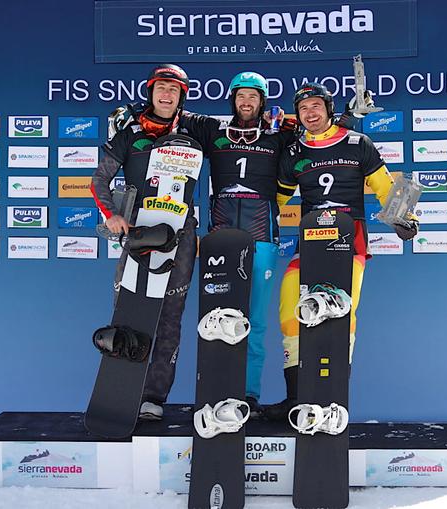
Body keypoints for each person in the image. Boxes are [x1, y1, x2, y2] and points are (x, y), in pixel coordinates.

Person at [262, 82, 419, 419]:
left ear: (329, 109)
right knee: (290, 310)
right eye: (303, 109)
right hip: (311, 242)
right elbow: (275, 199)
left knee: (339, 314)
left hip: (349, 241)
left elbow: (384, 187)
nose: (310, 113)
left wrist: (405, 217)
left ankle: (334, 395)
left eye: (317, 106)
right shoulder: (295, 152)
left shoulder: (358, 143)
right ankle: (295, 397)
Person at [176, 72, 297, 413]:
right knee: (218, 316)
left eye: (253, 97)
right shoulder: (213, 129)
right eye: (241, 96)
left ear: (263, 101)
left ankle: (248, 395)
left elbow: (318, 129)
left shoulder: (280, 132)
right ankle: (218, 389)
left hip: (262, 239)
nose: (247, 102)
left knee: (255, 320)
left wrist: (350, 115)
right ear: (233, 100)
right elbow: (170, 110)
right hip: (221, 240)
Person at [90, 63, 197, 421]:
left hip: (181, 235)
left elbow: (245, 134)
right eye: (160, 88)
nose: (166, 95)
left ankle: (153, 396)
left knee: (170, 316)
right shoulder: (130, 131)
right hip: (138, 234)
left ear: (182, 95)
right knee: (130, 307)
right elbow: (99, 180)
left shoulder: (194, 126)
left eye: (174, 90)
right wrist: (111, 214)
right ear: (151, 92)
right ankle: (123, 387)